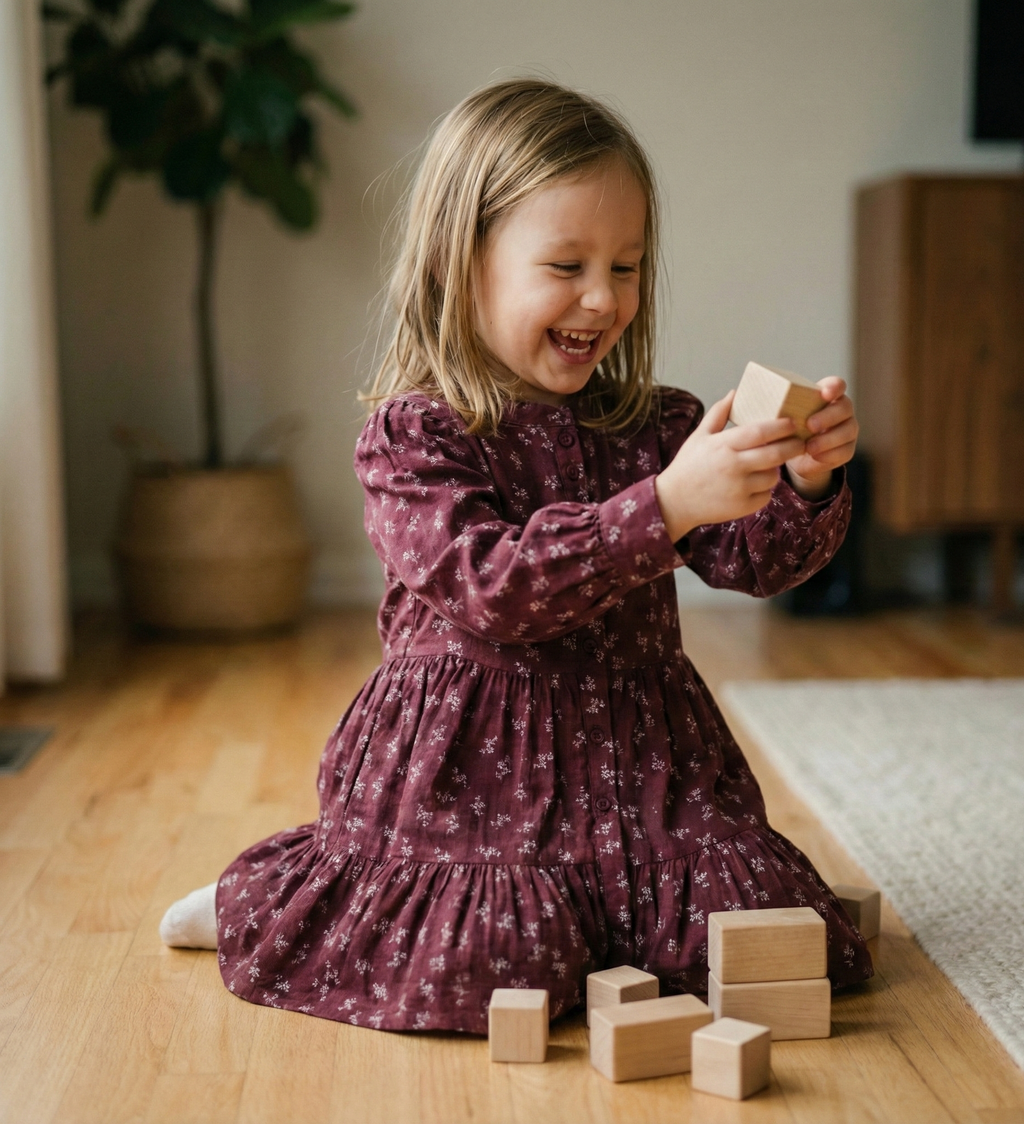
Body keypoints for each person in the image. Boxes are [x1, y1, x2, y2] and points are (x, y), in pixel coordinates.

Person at [160, 78, 873, 1031]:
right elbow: (493, 587)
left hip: (644, 769)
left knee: (781, 941)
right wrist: (661, 506)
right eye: (567, 264)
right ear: (464, 265)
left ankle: (607, 919)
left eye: (626, 267)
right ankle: (281, 905)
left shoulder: (656, 422)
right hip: (471, 780)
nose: (601, 297)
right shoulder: (414, 435)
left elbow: (755, 561)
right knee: (498, 967)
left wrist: (809, 480)